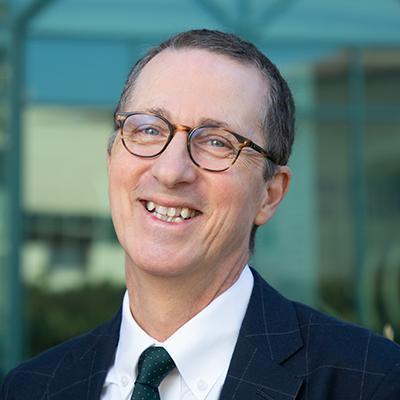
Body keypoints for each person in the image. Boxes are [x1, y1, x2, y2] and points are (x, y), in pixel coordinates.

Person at [1, 29, 400, 400]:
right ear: (112, 159)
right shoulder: (31, 387)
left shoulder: (372, 382)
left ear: (270, 194)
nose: (171, 170)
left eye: (216, 142)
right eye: (149, 130)